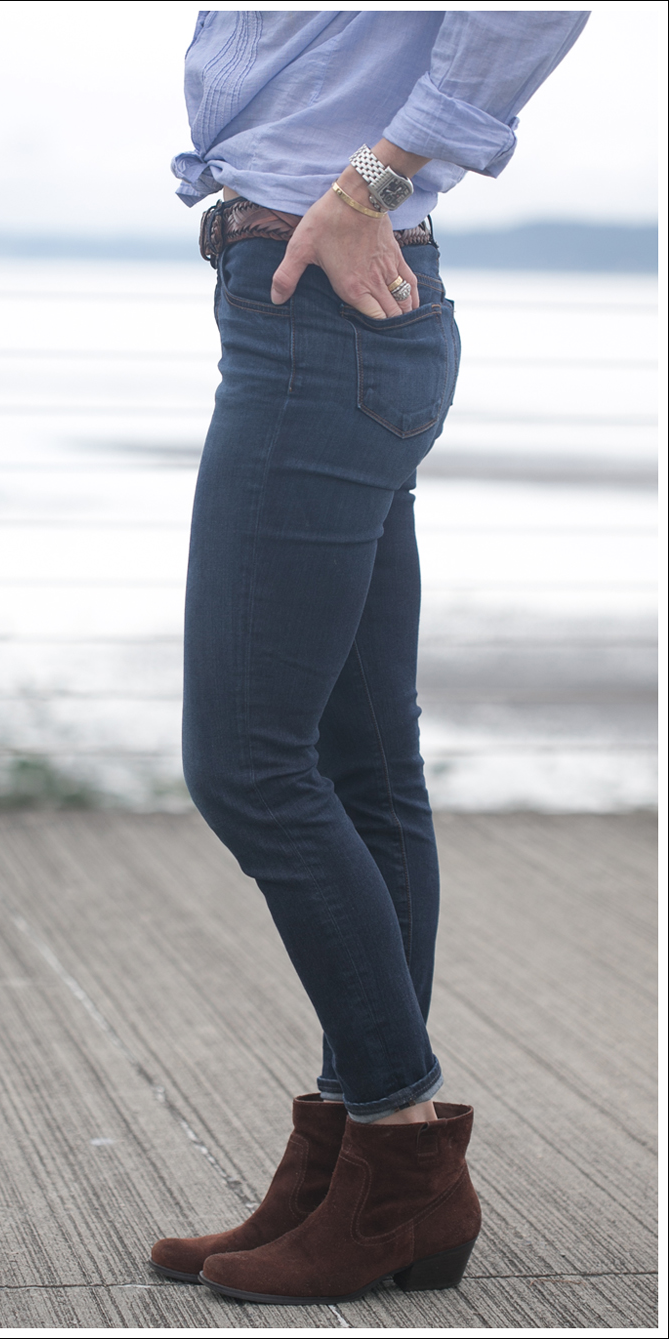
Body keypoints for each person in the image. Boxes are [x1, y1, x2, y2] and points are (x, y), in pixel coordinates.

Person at [150, 9, 590, 1307]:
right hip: (319, 304)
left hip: (324, 308)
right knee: (359, 760)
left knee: (248, 766)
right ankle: (350, 1158)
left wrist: (371, 183)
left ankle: (401, 1148)